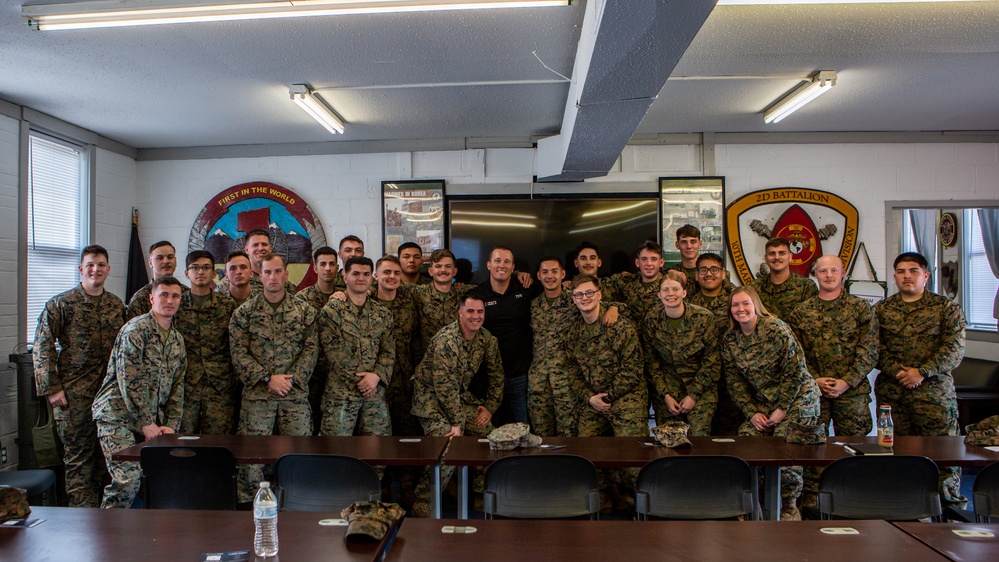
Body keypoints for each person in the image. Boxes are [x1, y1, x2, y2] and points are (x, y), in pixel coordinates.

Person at [32, 245, 125, 507]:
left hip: (108, 395)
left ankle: (105, 521)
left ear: (108, 269)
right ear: (81, 269)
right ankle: (81, 518)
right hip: (74, 395)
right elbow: (42, 346)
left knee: (106, 459)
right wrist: (52, 388)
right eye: (90, 264)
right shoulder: (61, 304)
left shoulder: (115, 305)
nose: (96, 269)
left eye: (101, 265)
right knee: (78, 460)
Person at [720, 285, 822, 521]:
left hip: (797, 399)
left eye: (746, 303)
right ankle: (751, 505)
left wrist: (782, 408)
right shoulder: (730, 339)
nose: (741, 309)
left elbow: (795, 369)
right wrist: (751, 412)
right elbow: (734, 381)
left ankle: (788, 507)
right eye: (735, 305)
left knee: (786, 452)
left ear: (756, 305)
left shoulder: (776, 329)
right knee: (745, 443)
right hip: (763, 405)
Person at [785, 254, 879, 510]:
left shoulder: (861, 308)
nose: (828, 275)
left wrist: (847, 381)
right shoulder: (801, 311)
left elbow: (869, 350)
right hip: (814, 391)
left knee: (855, 447)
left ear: (843, 273)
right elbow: (797, 352)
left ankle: (855, 497)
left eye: (833, 271)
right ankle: (811, 501)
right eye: (823, 271)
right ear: (814, 274)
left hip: (852, 391)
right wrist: (814, 379)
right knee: (812, 447)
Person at [874, 251, 967, 509]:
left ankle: (949, 508)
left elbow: (954, 350)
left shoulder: (946, 308)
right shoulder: (882, 310)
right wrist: (899, 372)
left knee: (944, 452)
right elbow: (874, 349)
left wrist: (922, 372)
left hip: (934, 394)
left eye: (913, 271)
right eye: (901, 271)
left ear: (926, 276)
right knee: (897, 452)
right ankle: (905, 505)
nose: (907, 276)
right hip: (894, 393)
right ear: (894, 277)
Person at [229, 253, 318, 502]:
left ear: (287, 274)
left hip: (294, 395)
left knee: (298, 452)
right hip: (258, 396)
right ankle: (250, 504)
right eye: (267, 272)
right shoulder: (244, 313)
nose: (273, 277)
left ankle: (299, 500)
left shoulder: (304, 311)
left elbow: (312, 350)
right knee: (252, 457)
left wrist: (291, 379)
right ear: (260, 275)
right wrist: (268, 379)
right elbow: (238, 353)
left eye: (278, 271)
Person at [92, 276, 186, 509]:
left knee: (154, 481)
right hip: (117, 416)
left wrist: (171, 424)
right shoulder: (136, 330)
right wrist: (146, 422)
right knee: (127, 481)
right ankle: (110, 536)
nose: (169, 301)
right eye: (164, 295)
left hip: (151, 424)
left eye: (175, 296)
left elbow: (178, 386)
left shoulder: (176, 340)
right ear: (152, 298)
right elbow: (129, 379)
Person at [410, 294, 504, 517]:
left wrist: (490, 406)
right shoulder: (447, 340)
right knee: (448, 445)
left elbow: (497, 375)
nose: (476, 316)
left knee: (488, 437)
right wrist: (456, 424)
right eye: (470, 311)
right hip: (430, 399)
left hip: (458, 399)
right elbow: (444, 385)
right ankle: (424, 500)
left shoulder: (487, 339)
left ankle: (482, 496)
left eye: (480, 312)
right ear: (460, 313)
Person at [564, 275, 648, 512]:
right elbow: (572, 373)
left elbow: (633, 369)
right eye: (579, 295)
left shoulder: (620, 326)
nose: (585, 298)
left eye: (589, 293)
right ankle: (603, 499)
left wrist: (608, 397)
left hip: (625, 397)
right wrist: (589, 398)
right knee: (586, 449)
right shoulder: (573, 334)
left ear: (600, 295)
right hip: (594, 399)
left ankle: (639, 502)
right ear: (573, 300)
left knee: (632, 451)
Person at [318, 256, 395, 437]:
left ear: (372, 277)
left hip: (374, 394)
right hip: (341, 395)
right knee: (336, 453)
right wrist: (362, 380)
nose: (361, 278)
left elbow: (389, 350)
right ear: (345, 276)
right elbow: (334, 352)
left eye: (366, 274)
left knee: (378, 453)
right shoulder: (331, 311)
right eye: (356, 274)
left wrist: (376, 376)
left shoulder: (382, 313)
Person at [641, 271, 721, 436]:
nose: (671, 294)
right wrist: (665, 395)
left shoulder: (704, 318)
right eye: (666, 290)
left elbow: (712, 362)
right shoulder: (652, 321)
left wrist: (693, 395)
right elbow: (651, 363)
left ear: (684, 293)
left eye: (676, 289)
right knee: (669, 443)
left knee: (698, 440)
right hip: (667, 392)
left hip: (700, 390)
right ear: (659, 294)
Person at [373, 254, 423, 508]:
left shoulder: (409, 300)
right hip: (376, 384)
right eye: (386, 273)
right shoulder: (366, 300)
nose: (391, 277)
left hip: (404, 382)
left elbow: (415, 338)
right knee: (379, 438)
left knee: (406, 438)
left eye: (395, 273)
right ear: (376, 276)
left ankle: (406, 492)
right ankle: (380, 492)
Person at [468, 246, 540, 426]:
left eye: (507, 262)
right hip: (487, 378)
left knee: (523, 428)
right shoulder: (476, 294)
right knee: (489, 433)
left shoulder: (526, 289)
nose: (502, 265)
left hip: (519, 376)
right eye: (497, 261)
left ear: (513, 267)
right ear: (488, 265)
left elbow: (555, 290)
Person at [173, 250, 238, 434]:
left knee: (217, 442)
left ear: (213, 273)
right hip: (186, 384)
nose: (200, 272)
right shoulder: (177, 306)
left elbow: (234, 346)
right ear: (186, 273)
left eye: (206, 268)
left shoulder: (227, 306)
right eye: (195, 268)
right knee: (184, 440)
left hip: (219, 385)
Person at [527, 256, 579, 437]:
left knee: (569, 437)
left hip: (567, 384)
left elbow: (601, 306)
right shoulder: (533, 305)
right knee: (541, 438)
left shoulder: (575, 302)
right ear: (539, 276)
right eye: (545, 272)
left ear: (563, 274)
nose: (550, 276)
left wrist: (614, 308)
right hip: (539, 384)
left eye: (554, 271)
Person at [295, 246, 338, 434]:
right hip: (311, 373)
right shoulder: (302, 299)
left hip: (337, 371)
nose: (327, 268)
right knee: (310, 422)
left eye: (331, 264)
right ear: (315, 268)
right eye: (323, 264)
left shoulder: (347, 296)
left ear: (337, 267)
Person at [412, 249, 476, 362]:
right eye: (438, 266)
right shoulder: (418, 292)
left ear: (454, 271)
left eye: (448, 266)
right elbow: (388, 285)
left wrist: (516, 274)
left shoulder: (465, 293)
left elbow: (492, 285)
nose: (443, 270)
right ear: (430, 271)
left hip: (458, 363)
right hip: (428, 363)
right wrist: (370, 290)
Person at [749, 237, 818, 319]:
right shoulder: (754, 288)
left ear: (790, 257)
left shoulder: (806, 287)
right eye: (772, 253)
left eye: (782, 253)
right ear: (766, 258)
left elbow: (812, 322)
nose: (777, 257)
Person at [216, 229, 296, 296]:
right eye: (255, 245)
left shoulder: (283, 283)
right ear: (247, 249)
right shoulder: (231, 283)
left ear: (270, 248)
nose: (260, 248)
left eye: (264, 244)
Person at [125, 240, 188, 320]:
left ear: (175, 261)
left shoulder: (187, 293)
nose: (166, 261)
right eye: (160, 258)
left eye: (170, 257)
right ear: (150, 263)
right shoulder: (140, 298)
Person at [666, 224, 702, 294]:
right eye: (684, 242)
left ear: (700, 244)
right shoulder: (670, 273)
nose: (689, 246)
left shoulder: (712, 272)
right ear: (677, 245)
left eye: (693, 242)